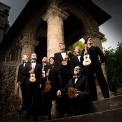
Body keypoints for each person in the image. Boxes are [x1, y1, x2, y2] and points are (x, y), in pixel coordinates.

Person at [54, 42, 73, 117]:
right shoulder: (56, 55)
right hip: (61, 75)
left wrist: (69, 58)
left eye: (61, 45)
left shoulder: (69, 54)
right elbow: (56, 65)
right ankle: (63, 111)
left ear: (64, 46)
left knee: (70, 90)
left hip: (69, 74)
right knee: (62, 92)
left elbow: (73, 63)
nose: (60, 46)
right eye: (59, 45)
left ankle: (71, 109)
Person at [24, 53, 42, 121]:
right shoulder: (27, 64)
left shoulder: (39, 65)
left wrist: (40, 83)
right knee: (28, 98)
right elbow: (23, 73)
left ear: (36, 57)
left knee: (36, 99)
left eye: (35, 55)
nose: (34, 56)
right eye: (32, 55)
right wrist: (29, 72)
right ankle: (28, 113)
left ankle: (35, 115)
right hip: (28, 84)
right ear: (31, 57)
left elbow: (40, 75)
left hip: (36, 84)